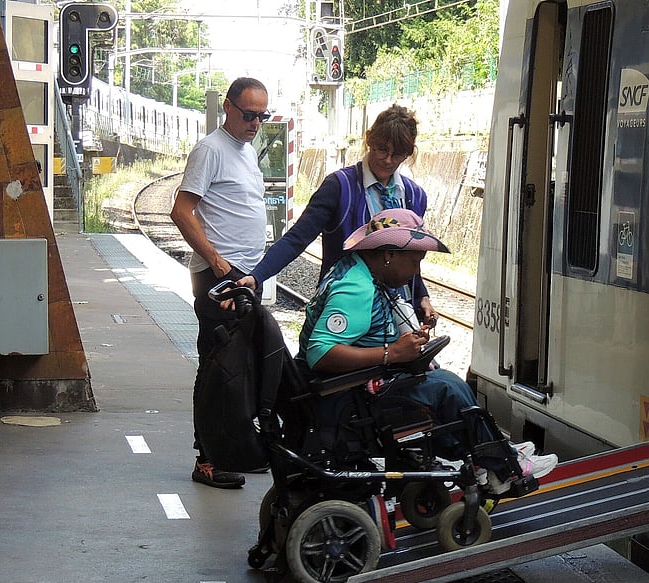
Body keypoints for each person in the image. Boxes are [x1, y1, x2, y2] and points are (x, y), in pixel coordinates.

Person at [298, 209, 557, 493]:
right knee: (446, 388)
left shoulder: (364, 272)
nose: (416, 272)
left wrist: (405, 345)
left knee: (441, 381)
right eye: (415, 261)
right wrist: (392, 354)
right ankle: (503, 466)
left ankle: (490, 455)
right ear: (390, 255)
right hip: (347, 399)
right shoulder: (356, 288)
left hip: (357, 388)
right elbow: (320, 352)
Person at [238, 104, 435, 324]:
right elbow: (297, 238)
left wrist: (422, 296)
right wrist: (257, 276)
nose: (388, 160)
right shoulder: (340, 187)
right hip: (346, 310)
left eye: (398, 154)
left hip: (399, 315)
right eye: (381, 149)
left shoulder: (415, 196)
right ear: (369, 139)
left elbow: (410, 259)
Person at [169, 77, 272, 489]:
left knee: (241, 369)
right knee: (215, 368)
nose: (255, 123)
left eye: (262, 116)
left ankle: (235, 447)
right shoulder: (210, 150)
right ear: (228, 107)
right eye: (249, 114)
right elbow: (181, 210)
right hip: (221, 280)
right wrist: (218, 263)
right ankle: (206, 459)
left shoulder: (245, 151)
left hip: (245, 277)